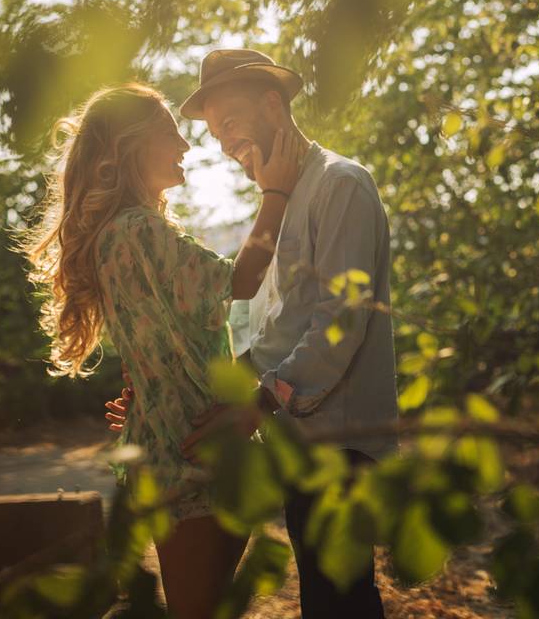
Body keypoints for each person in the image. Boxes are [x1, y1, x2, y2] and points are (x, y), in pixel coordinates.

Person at [105, 49, 399, 618]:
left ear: (273, 104)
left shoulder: (340, 185)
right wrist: (170, 393)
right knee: (324, 601)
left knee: (341, 602)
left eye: (231, 124)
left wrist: (260, 401)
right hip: (297, 439)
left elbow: (340, 323)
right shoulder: (280, 196)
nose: (222, 143)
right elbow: (269, 332)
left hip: (342, 442)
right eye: (215, 133)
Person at [22, 83, 304, 619]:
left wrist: (149, 393)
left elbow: (161, 341)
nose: (186, 145)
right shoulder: (136, 230)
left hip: (184, 445)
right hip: (192, 454)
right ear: (133, 145)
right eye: (171, 132)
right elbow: (240, 284)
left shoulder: (122, 232)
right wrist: (277, 193)